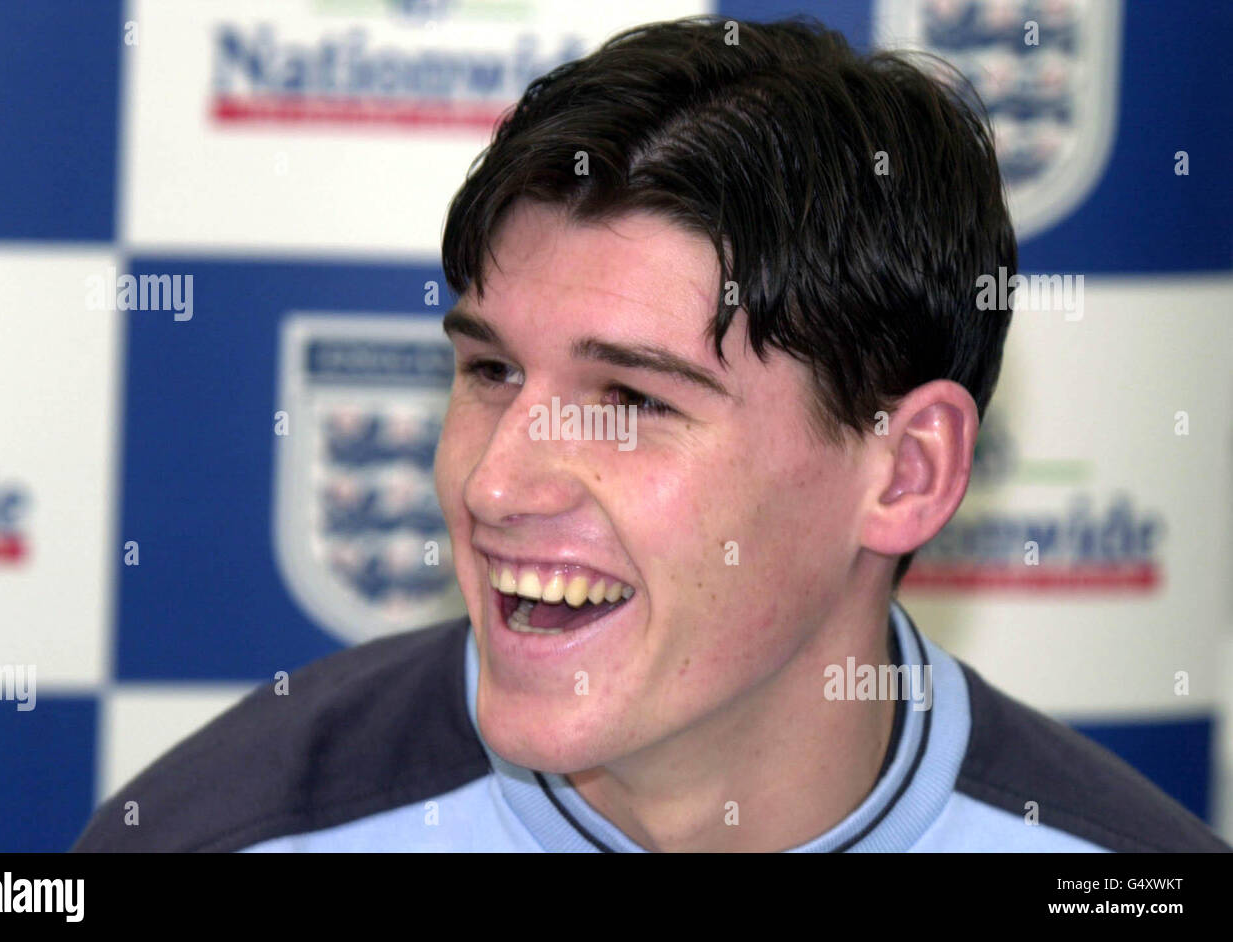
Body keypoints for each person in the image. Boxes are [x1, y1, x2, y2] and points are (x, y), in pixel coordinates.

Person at [72, 15, 1230, 853]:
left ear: (906, 470)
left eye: (631, 402)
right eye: (487, 370)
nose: (494, 481)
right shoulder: (211, 833)